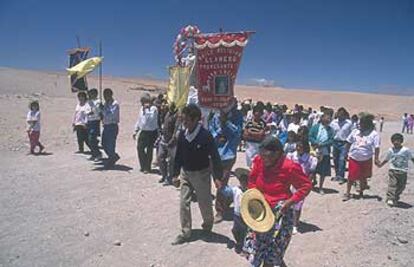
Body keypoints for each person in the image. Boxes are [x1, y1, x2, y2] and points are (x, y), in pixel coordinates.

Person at [243, 136, 312, 267]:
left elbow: (306, 186)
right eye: (262, 156)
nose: (265, 159)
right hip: (261, 213)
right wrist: (253, 196)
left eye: (268, 156)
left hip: (280, 214)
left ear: (278, 153)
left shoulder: (289, 167)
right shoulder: (259, 160)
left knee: (273, 253)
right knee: (257, 250)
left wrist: (290, 202)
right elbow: (252, 180)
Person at [171, 104, 223, 245]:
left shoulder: (205, 136)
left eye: (186, 120)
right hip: (185, 173)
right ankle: (185, 232)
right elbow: (179, 156)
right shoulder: (183, 135)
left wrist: (217, 177)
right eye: (183, 120)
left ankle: (207, 227)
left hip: (201, 174)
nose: (184, 123)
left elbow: (215, 157)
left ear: (195, 120)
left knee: (204, 203)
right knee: (183, 203)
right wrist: (175, 174)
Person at [208, 98, 243, 223]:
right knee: (217, 182)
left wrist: (226, 122)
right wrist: (218, 135)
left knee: (221, 183)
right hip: (215, 154)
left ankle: (219, 211)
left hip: (228, 154)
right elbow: (211, 130)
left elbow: (237, 132)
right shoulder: (215, 115)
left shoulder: (237, 116)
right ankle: (230, 197)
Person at [343, 113, 380, 201]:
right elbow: (348, 142)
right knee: (351, 176)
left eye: (362, 123)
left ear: (367, 124)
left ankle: (361, 192)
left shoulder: (374, 134)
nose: (360, 125)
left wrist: (376, 158)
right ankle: (347, 193)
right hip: (354, 158)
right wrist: (345, 153)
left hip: (366, 158)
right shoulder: (355, 132)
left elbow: (377, 147)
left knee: (363, 176)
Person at [286, 139, 317, 234]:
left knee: (298, 205)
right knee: (287, 203)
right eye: (297, 146)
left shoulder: (310, 159)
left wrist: (307, 185)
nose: (298, 148)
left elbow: (311, 173)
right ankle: (287, 223)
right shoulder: (291, 156)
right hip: (290, 182)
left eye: (300, 146)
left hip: (301, 184)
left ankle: (295, 225)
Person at [377, 133, 414, 206]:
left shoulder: (406, 150)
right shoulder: (391, 150)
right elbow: (387, 159)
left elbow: (412, 158)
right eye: (394, 141)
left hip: (403, 171)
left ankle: (396, 197)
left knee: (401, 186)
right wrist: (381, 165)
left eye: (398, 141)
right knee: (392, 184)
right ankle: (390, 198)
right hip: (393, 170)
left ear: (401, 141)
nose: (396, 142)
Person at [220, 168, 249, 254]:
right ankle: (240, 243)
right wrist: (221, 184)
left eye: (245, 181)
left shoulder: (250, 192)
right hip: (237, 215)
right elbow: (226, 191)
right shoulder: (236, 189)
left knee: (245, 232)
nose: (243, 183)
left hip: (246, 216)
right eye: (242, 181)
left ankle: (243, 246)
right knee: (235, 230)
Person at [309, 113, 334, 194]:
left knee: (323, 171)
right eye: (327, 118)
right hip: (314, 151)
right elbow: (310, 136)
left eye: (329, 119)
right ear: (322, 118)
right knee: (312, 170)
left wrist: (322, 144)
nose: (328, 120)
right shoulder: (315, 127)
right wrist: (315, 142)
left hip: (325, 152)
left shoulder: (331, 130)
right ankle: (309, 185)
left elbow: (331, 140)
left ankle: (320, 187)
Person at [133, 95, 159, 174]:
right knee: (140, 148)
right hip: (143, 131)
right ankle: (143, 165)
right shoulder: (141, 109)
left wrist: (147, 110)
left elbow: (150, 119)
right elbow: (140, 120)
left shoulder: (154, 109)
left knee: (149, 150)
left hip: (151, 132)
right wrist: (136, 130)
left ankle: (147, 167)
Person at [156, 102, 179, 185]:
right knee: (160, 157)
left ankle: (169, 178)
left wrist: (172, 140)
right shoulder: (166, 113)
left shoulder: (177, 116)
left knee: (171, 161)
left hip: (172, 142)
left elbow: (176, 129)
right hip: (163, 140)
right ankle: (164, 175)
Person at [330, 107, 353, 184]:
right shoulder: (333, 123)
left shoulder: (349, 123)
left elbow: (352, 134)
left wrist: (350, 144)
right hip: (335, 142)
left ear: (344, 115)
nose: (340, 116)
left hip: (344, 143)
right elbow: (331, 132)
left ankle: (341, 176)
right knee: (335, 159)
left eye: (342, 114)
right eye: (339, 114)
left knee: (342, 159)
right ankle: (337, 175)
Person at [101, 88, 120, 168]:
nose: (105, 97)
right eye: (104, 95)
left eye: (106, 95)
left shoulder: (115, 104)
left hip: (112, 126)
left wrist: (103, 111)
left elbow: (112, 115)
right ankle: (113, 156)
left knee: (111, 144)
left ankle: (111, 160)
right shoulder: (106, 103)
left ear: (110, 95)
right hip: (106, 126)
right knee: (104, 143)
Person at [85, 88, 102, 161]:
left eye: (91, 93)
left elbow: (97, 111)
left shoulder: (98, 101)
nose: (90, 95)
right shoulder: (88, 101)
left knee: (92, 138)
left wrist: (92, 110)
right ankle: (93, 153)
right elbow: (86, 110)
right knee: (88, 139)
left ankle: (98, 153)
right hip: (89, 121)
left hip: (95, 121)